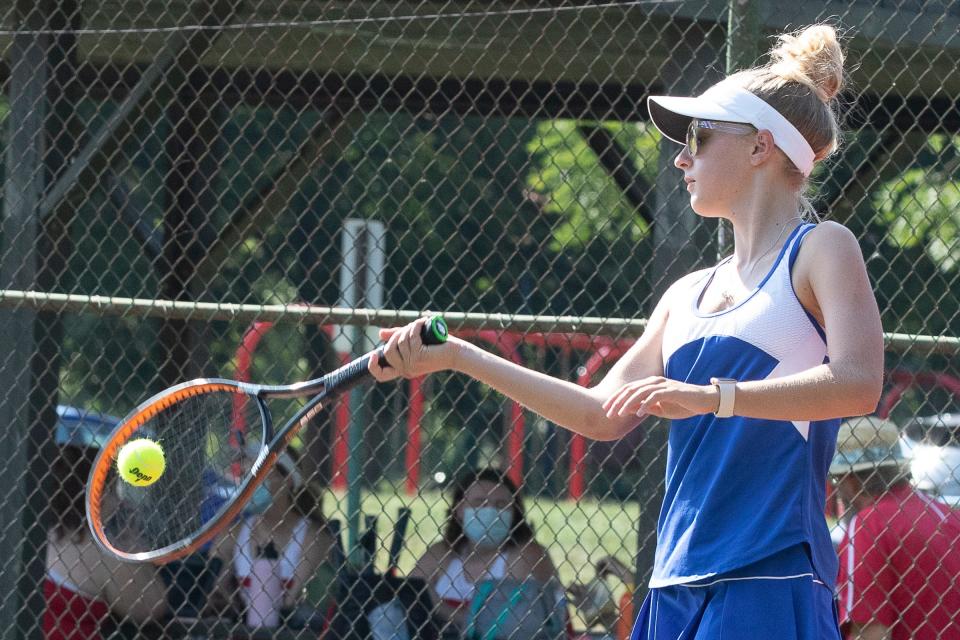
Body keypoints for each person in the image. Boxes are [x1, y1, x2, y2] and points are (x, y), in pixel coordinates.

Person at [370, 23, 883, 640]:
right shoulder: (684, 294)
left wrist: (714, 397)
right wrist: (458, 355)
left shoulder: (823, 247)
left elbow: (857, 383)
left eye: (699, 136)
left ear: (760, 148)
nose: (682, 156)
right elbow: (598, 414)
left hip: (767, 577)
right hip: (671, 585)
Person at [831, 416, 960, 640]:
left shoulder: (868, 525)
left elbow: (871, 631)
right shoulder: (946, 515)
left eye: (836, 480)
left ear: (850, 479)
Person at [410, 468, 562, 637]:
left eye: (501, 505)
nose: (490, 511)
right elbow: (405, 599)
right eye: (479, 502)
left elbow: (506, 626)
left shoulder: (526, 555)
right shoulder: (440, 553)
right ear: (459, 509)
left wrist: (438, 607)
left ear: (514, 513)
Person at [44, 443, 168, 640]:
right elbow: (151, 608)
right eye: (112, 491)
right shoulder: (102, 552)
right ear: (96, 498)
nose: (119, 502)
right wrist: (130, 545)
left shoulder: (32, 535)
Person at [208, 447, 332, 628]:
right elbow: (212, 587)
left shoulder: (313, 537)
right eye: (246, 475)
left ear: (288, 479)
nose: (250, 484)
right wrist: (221, 598)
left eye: (259, 475)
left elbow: (290, 605)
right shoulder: (234, 533)